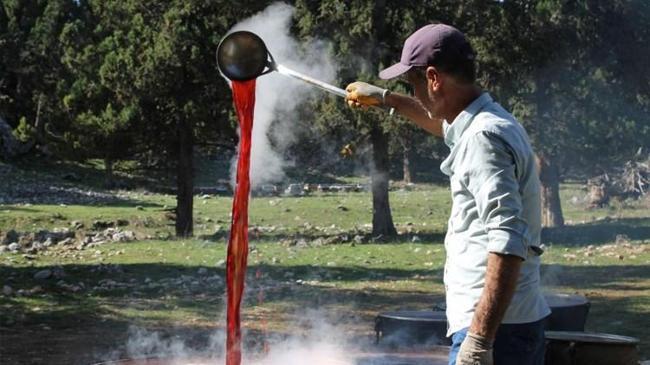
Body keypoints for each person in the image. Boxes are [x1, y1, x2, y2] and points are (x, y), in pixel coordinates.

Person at [345, 24, 550, 365]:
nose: (416, 92)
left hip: (495, 333)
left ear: (433, 78)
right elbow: (443, 126)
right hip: (509, 324)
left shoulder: (482, 139)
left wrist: (479, 342)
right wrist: (386, 99)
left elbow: (508, 238)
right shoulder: (489, 121)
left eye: (413, 84)